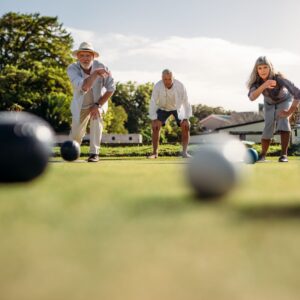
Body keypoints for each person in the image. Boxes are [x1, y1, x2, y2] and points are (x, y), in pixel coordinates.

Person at [67, 42, 115, 162]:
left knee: (96, 117)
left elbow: (111, 89)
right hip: (81, 104)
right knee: (76, 134)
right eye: (82, 55)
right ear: (78, 57)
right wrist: (94, 74)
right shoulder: (72, 68)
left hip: (98, 102)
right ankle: (73, 152)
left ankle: (94, 153)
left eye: (88, 55)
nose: (85, 58)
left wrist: (98, 105)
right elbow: (84, 87)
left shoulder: (103, 67)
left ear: (93, 56)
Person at [247, 56, 300, 162]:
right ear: (256, 70)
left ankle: (284, 155)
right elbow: (251, 97)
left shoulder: (279, 78)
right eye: (260, 68)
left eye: (265, 67)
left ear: (270, 68)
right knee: (268, 126)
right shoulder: (256, 82)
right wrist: (264, 85)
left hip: (284, 100)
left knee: (283, 120)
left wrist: (290, 111)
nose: (262, 70)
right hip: (269, 103)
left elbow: (297, 93)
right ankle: (262, 155)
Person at [148, 69, 192, 158]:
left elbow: (186, 102)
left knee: (185, 126)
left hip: (177, 108)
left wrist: (186, 118)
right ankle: (154, 153)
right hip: (163, 108)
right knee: (155, 126)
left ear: (173, 78)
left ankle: (184, 152)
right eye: (165, 79)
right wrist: (154, 119)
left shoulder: (180, 86)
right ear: (162, 78)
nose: (167, 81)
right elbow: (153, 102)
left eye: (169, 79)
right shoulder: (157, 86)